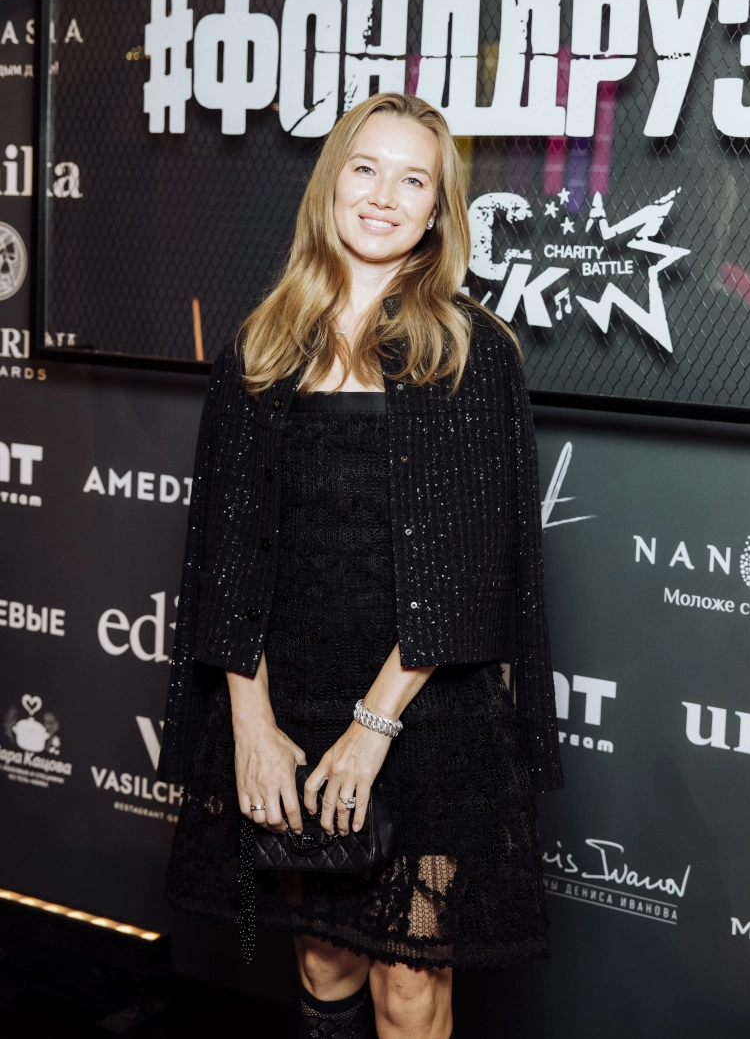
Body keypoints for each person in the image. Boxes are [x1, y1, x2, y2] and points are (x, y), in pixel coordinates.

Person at [158, 92, 563, 1039]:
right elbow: (224, 558)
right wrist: (252, 726)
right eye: (366, 168)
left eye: (413, 180)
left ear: (437, 212)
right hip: (291, 698)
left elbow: (471, 575)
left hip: (426, 708)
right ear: (331, 182)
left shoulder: (469, 351)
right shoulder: (260, 345)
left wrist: (373, 728)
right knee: (323, 956)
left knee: (410, 983)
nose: (384, 195)